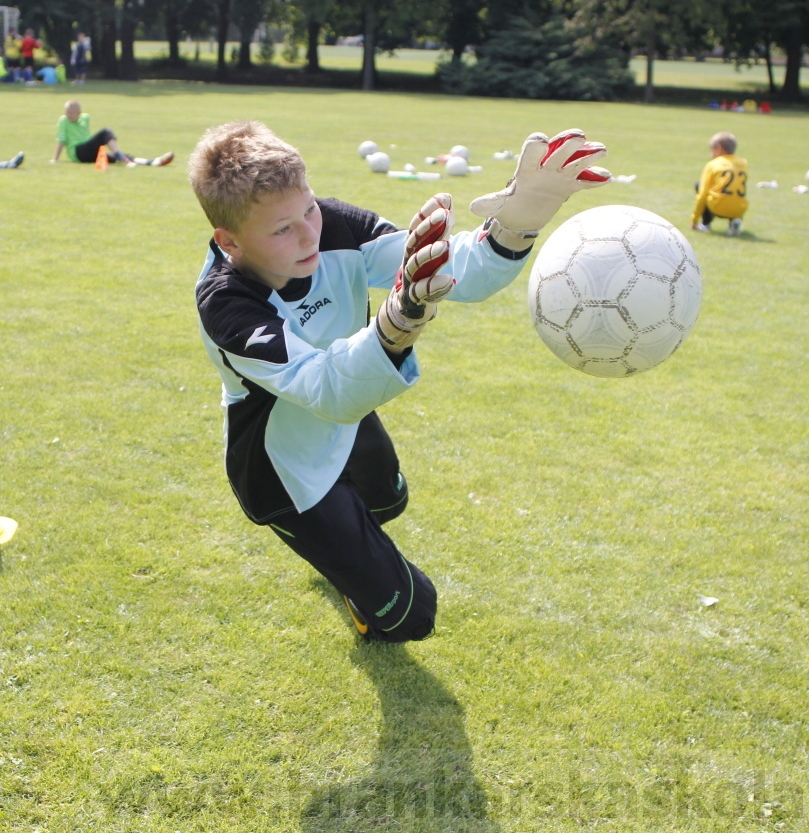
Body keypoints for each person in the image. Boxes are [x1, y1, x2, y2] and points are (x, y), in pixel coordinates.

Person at [188, 121, 609, 642]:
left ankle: (347, 551)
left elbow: (448, 270)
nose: (309, 234)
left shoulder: (337, 225)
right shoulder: (226, 303)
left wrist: (518, 222)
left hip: (351, 407)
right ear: (229, 241)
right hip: (283, 462)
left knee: (388, 502)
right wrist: (395, 322)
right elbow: (325, 390)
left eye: (309, 209)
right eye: (281, 229)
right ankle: (345, 565)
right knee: (411, 616)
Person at [51, 99, 174, 167]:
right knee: (106, 132)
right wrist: (55, 159)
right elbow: (61, 141)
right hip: (78, 152)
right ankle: (120, 156)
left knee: (116, 157)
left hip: (89, 152)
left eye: (71, 112)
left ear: (79, 113)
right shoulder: (63, 121)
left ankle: (152, 162)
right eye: (67, 112)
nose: (68, 115)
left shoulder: (85, 118)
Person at [691, 131, 748, 237]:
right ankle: (734, 221)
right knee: (733, 194)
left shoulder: (713, 164)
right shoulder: (743, 163)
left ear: (719, 148)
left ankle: (705, 224)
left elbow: (702, 195)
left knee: (700, 185)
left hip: (718, 208)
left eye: (712, 150)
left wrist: (694, 219)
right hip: (739, 210)